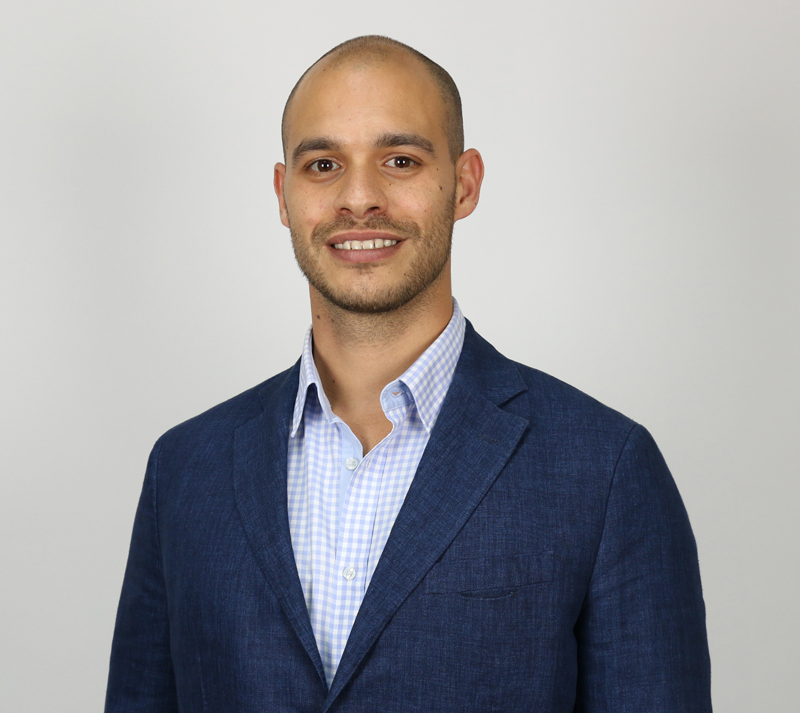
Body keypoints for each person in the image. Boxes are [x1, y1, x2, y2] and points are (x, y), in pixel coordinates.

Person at [105, 35, 712, 712]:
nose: (359, 198)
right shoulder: (184, 469)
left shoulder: (604, 468)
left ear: (465, 183)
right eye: (323, 164)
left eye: (400, 160)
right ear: (283, 194)